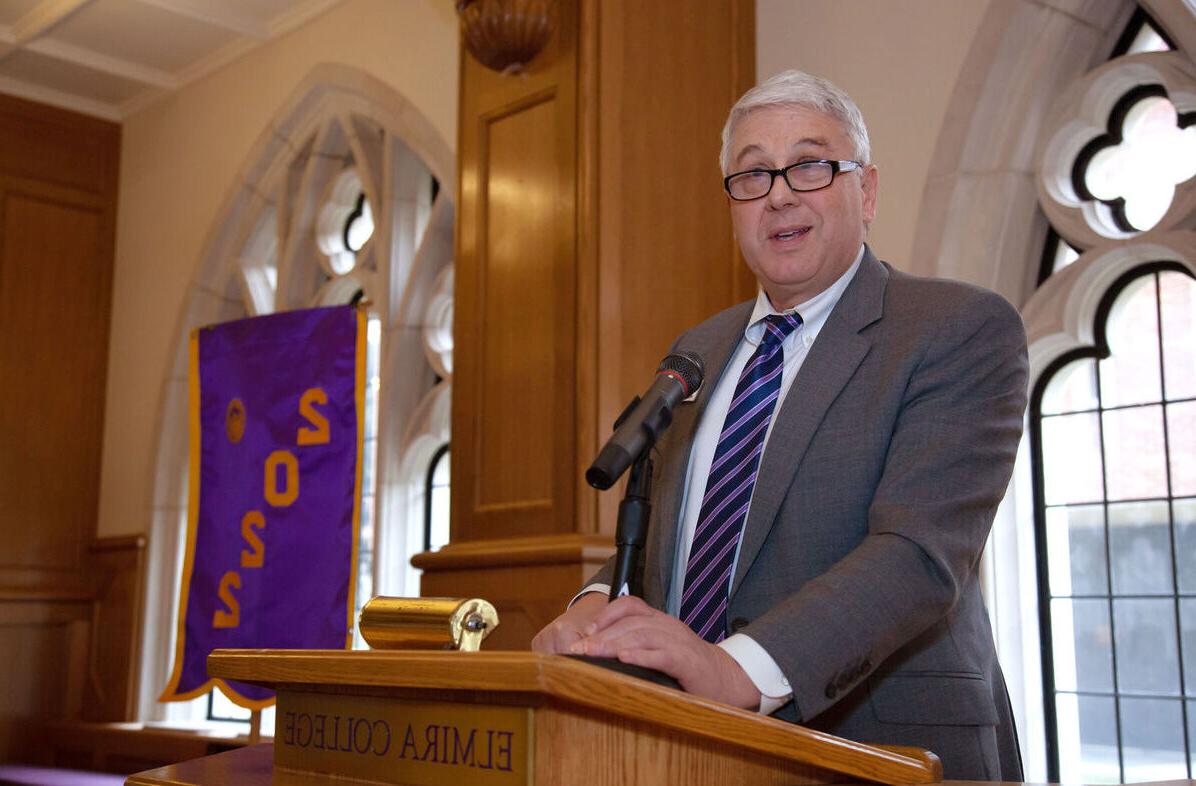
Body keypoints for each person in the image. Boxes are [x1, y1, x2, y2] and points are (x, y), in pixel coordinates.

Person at [531, 69, 1027, 781]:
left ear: (868, 190)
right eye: (753, 174)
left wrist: (734, 670)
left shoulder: (957, 328)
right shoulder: (700, 347)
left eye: (810, 165)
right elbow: (686, 543)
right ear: (732, 205)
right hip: (682, 746)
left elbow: (918, 554)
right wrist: (596, 606)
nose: (780, 194)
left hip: (882, 745)